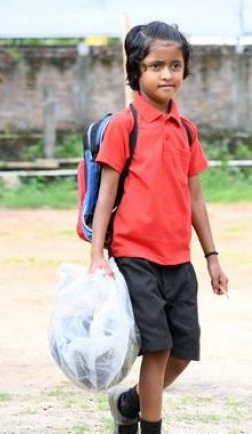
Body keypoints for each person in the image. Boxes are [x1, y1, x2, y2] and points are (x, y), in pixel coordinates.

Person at [86, 22, 229, 434]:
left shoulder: (187, 129)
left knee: (182, 351)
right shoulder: (123, 126)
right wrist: (97, 255)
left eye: (175, 65)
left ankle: (129, 401)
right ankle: (150, 426)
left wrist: (212, 257)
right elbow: (105, 196)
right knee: (159, 347)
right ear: (136, 71)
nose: (167, 74)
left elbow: (196, 199)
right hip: (135, 257)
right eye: (156, 66)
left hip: (178, 258)